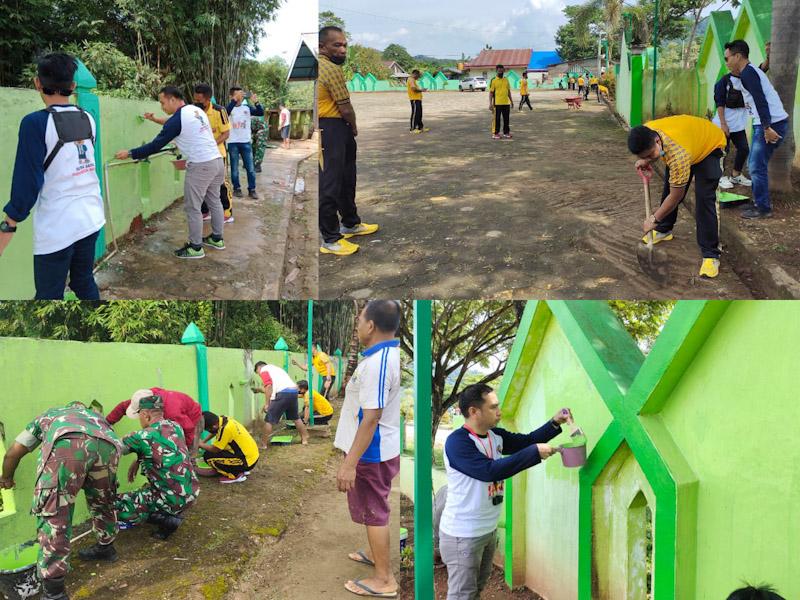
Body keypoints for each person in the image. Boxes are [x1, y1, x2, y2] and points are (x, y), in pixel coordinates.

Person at [439, 384, 567, 600]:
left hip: (487, 530)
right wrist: (534, 453)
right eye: (493, 407)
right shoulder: (458, 443)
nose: (499, 412)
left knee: (476, 590)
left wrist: (555, 423)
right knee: (463, 595)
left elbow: (526, 441)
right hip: (463, 534)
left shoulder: (495, 436)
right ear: (473, 411)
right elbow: (489, 471)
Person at [1, 52, 105, 300]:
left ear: (38, 83)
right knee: (83, 281)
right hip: (91, 217)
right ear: (73, 86)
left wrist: (10, 223)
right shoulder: (88, 118)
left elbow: (28, 181)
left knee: (48, 294)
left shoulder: (35, 123)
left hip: (58, 227)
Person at [0, 402, 123, 600]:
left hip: (68, 443)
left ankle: (54, 592)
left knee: (54, 512)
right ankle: (106, 548)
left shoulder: (51, 415)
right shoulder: (96, 418)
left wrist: (6, 478)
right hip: (108, 444)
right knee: (103, 501)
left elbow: (14, 452)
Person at [334, 300, 401, 598]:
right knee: (373, 509)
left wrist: (350, 463)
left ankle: (384, 580)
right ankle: (377, 556)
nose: (357, 325)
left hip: (371, 453)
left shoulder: (379, 363)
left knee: (375, 512)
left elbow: (371, 416)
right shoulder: (380, 358)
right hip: (374, 449)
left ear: (371, 325)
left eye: (360, 320)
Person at [116, 85, 225, 259]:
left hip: (201, 165)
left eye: (162, 102)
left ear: (172, 99)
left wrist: (130, 153)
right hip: (217, 161)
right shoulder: (195, 111)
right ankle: (217, 238)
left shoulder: (177, 120)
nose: (162, 107)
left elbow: (155, 145)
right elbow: (190, 133)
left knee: (193, 207)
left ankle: (196, 247)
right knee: (214, 201)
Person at [627, 115, 726, 278]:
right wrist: (647, 160)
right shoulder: (647, 131)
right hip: (689, 142)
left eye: (650, 155)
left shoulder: (677, 154)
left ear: (657, 142)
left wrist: (653, 218)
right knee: (670, 185)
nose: (649, 159)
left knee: (704, 198)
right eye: (644, 156)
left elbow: (677, 196)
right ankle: (664, 230)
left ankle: (711, 254)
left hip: (709, 145)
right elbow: (672, 189)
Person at [318, 26, 379, 256]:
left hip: (337, 129)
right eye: (337, 45)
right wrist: (353, 126)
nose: (343, 50)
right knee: (330, 183)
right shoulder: (328, 68)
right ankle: (331, 239)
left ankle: (350, 223)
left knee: (346, 178)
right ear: (322, 46)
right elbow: (344, 106)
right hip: (330, 127)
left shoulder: (329, 66)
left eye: (345, 45)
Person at [115, 395, 199, 539]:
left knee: (113, 506)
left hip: (170, 499)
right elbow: (161, 450)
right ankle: (169, 513)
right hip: (191, 492)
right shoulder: (175, 426)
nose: (139, 421)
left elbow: (112, 448)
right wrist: (138, 460)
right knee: (147, 490)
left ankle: (167, 519)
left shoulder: (140, 436)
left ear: (145, 415)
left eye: (139, 416)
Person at [723, 39, 789, 219]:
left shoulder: (748, 74)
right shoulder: (751, 71)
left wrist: (767, 127)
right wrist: (769, 57)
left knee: (755, 167)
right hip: (769, 122)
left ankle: (763, 208)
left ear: (738, 56)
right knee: (756, 165)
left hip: (770, 124)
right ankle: (760, 202)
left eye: (727, 58)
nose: (726, 62)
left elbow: (760, 100)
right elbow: (762, 70)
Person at [106, 388, 203, 459]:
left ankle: (189, 474)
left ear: (145, 414)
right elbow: (123, 407)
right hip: (178, 416)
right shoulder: (145, 398)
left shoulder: (172, 415)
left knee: (184, 454)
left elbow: (188, 429)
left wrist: (183, 449)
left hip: (193, 420)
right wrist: (106, 423)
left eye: (139, 415)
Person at [186, 83, 234, 224]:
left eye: (199, 101)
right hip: (200, 156)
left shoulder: (220, 111)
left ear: (208, 99)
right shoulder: (194, 112)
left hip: (218, 155)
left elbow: (226, 133)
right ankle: (205, 211)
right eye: (194, 100)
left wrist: (210, 145)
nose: (196, 103)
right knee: (202, 186)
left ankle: (227, 212)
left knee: (221, 185)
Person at [254, 361, 309, 450]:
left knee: (269, 420)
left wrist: (267, 404)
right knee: (296, 418)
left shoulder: (264, 370)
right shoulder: (276, 369)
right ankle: (305, 439)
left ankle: (263, 444)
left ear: (259, 368)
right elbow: (275, 389)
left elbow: (268, 386)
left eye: (258, 373)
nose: (260, 375)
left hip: (283, 393)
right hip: (293, 392)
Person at [712, 73, 751, 189]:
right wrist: (723, 124)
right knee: (722, 152)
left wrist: (769, 59)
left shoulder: (747, 79)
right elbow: (719, 103)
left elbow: (761, 70)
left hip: (738, 126)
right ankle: (719, 177)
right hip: (723, 124)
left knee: (744, 149)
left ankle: (736, 174)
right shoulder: (724, 81)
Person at [198, 411, 259, 483]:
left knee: (208, 456)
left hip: (246, 462)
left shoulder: (225, 429)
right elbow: (215, 431)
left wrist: (200, 444)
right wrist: (204, 441)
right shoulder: (224, 419)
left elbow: (215, 449)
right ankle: (234, 469)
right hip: (251, 457)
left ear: (213, 426)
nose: (208, 431)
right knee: (215, 453)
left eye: (207, 429)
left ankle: (235, 475)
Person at [226, 87, 264, 199]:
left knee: (250, 168)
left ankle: (252, 189)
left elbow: (260, 112)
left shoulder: (247, 108)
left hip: (246, 142)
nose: (240, 97)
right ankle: (236, 189)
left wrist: (256, 102)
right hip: (233, 142)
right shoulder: (228, 109)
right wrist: (234, 100)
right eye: (237, 95)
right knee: (234, 168)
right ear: (231, 96)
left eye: (241, 95)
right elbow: (225, 113)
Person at [489, 64, 513, 140]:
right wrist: (490, 104)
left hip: (506, 103)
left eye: (502, 70)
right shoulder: (493, 80)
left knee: (506, 119)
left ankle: (506, 132)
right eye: (499, 70)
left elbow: (508, 91)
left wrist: (511, 101)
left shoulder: (506, 80)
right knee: (497, 119)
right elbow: (491, 93)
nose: (500, 72)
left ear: (503, 71)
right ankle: (495, 133)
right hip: (497, 103)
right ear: (496, 71)